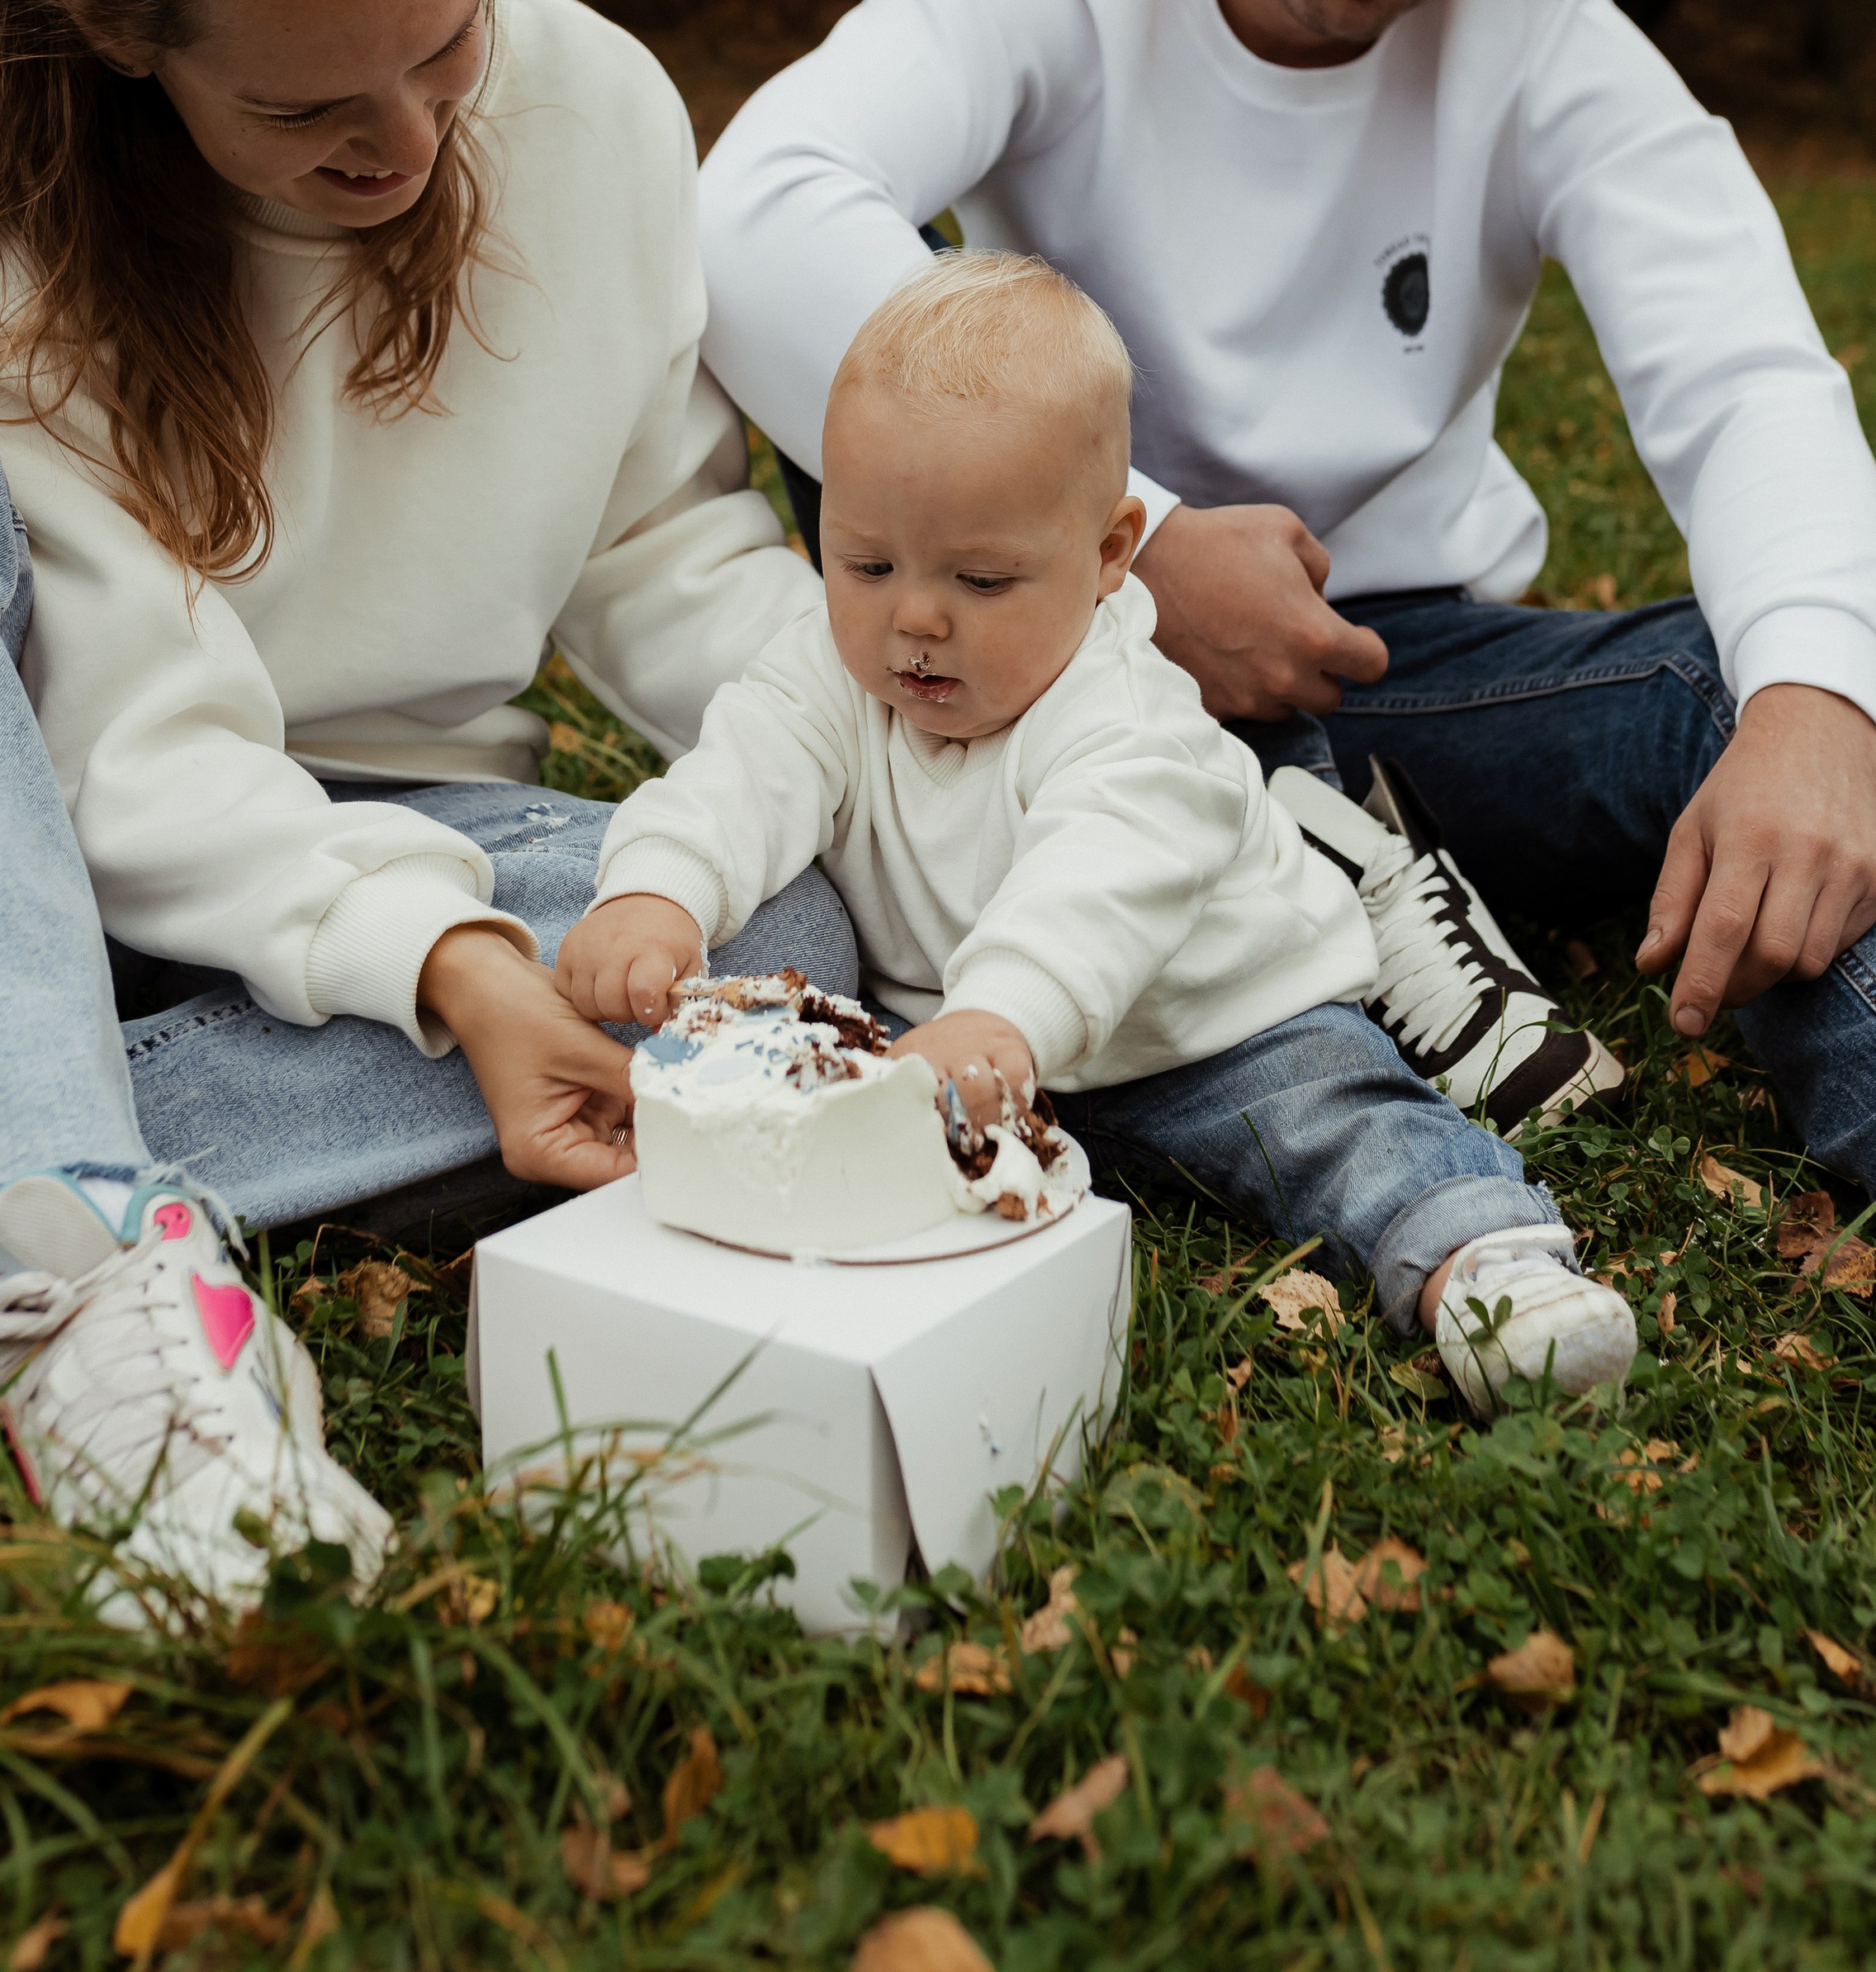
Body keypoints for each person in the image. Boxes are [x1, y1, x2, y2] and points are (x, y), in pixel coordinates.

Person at [0, 0, 850, 1618]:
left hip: (414, 831)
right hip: (42, 850)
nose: (412, 140)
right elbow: (129, 750)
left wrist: (882, 736)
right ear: (110, 24)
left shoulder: (594, 99)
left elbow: (671, 551)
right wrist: (440, 967)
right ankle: (56, 1244)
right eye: (308, 107)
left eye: (441, 50)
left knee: (766, 927)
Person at [694, 0, 1876, 1195]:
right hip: (1045, 683)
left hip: (1398, 674)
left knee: (1755, 695)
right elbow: (755, 209)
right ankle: (1351, 899)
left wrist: (1819, 708)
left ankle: (1370, 864)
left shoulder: (1546, 37)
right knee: (901, 407)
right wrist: (1147, 551)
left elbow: (1750, 377)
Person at [558, 252, 1638, 1415]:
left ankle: (1491, 1270)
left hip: (1207, 1027)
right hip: (963, 1046)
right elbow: (740, 772)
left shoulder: (1128, 714)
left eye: (979, 577)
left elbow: (1096, 883)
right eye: (865, 561)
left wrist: (999, 1017)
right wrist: (657, 889)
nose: (913, 616)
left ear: (1112, 552)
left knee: (1339, 1120)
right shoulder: (838, 666)